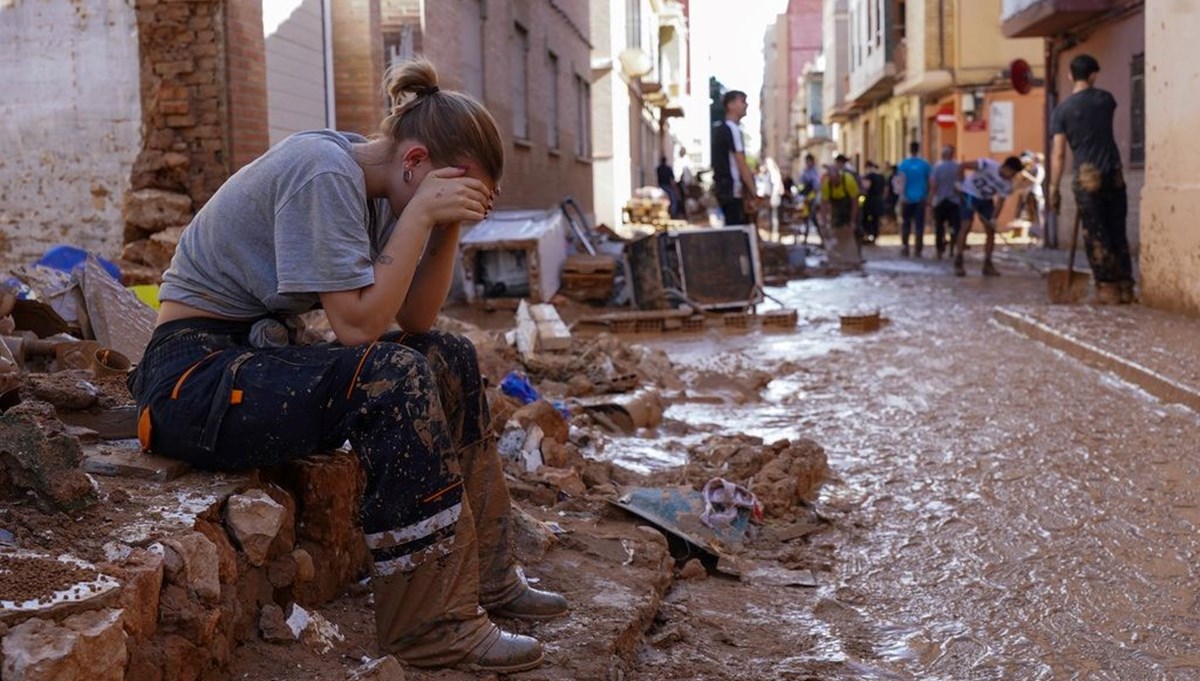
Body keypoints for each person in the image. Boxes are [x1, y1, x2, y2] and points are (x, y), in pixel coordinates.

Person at [127, 58, 565, 673]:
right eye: (451, 188)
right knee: (392, 376)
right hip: (190, 380)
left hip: (255, 356)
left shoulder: (387, 189)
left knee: (447, 355)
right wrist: (419, 214)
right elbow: (357, 328)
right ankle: (430, 626)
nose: (449, 203)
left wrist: (445, 229)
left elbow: (415, 321)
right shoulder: (323, 172)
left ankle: (489, 578)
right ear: (415, 163)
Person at [1048, 54, 1134, 304]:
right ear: (1094, 75)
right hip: (1114, 174)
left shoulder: (1062, 110)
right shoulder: (1106, 100)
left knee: (1096, 234)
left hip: (1086, 177)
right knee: (1117, 230)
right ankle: (1126, 286)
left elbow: (1059, 152)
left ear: (1069, 76)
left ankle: (1107, 289)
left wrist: (1054, 188)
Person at [953, 155, 1025, 277]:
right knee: (966, 225)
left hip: (986, 200)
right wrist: (959, 182)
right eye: (1012, 173)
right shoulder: (987, 165)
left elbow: (1000, 202)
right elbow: (963, 166)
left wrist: (993, 218)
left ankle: (988, 264)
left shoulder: (1007, 184)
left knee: (990, 231)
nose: (1012, 176)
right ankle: (959, 260)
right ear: (1006, 167)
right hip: (969, 194)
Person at [710, 90, 760, 225]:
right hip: (732, 190)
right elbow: (741, 162)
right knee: (738, 232)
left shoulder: (721, 129)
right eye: (742, 101)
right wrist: (753, 191)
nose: (746, 105)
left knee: (733, 229)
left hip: (724, 188)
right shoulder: (732, 129)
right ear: (730, 105)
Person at [822, 154, 862, 266]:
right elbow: (824, 205)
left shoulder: (848, 181)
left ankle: (856, 256)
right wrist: (824, 222)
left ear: (838, 177)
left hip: (850, 206)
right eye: (832, 181)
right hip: (837, 209)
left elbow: (855, 202)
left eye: (835, 181)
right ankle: (838, 257)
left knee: (855, 231)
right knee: (836, 230)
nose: (834, 183)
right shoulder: (826, 184)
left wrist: (853, 221)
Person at [896, 142, 933, 257]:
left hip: (907, 199)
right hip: (920, 198)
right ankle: (918, 249)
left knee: (906, 223)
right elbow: (930, 181)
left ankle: (905, 247)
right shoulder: (924, 164)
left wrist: (901, 196)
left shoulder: (903, 164)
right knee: (919, 224)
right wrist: (928, 196)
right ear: (918, 149)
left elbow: (899, 182)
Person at [929, 145, 962, 259]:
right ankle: (952, 249)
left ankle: (939, 250)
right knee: (954, 226)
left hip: (940, 201)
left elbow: (933, 185)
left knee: (939, 227)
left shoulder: (937, 167)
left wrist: (930, 200)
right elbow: (961, 183)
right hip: (954, 201)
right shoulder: (957, 166)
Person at [859, 161, 886, 244]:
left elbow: (865, 188)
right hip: (879, 199)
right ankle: (875, 235)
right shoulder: (881, 176)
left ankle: (867, 234)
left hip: (870, 200)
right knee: (875, 219)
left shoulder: (869, 176)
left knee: (866, 218)